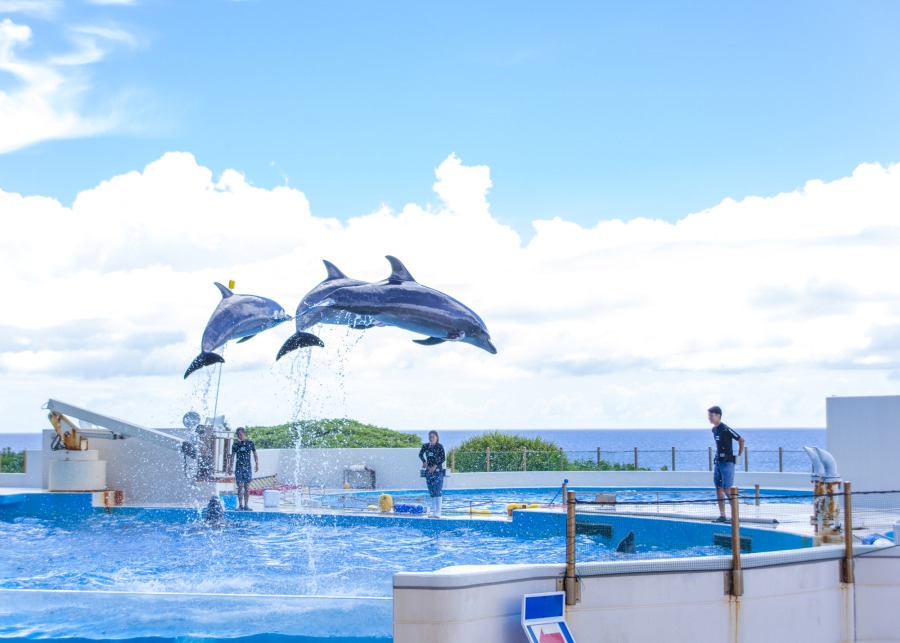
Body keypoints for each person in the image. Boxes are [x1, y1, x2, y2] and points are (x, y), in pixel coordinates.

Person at [708, 405, 745, 523]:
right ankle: (722, 515)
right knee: (718, 487)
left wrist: (739, 456)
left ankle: (735, 516)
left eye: (711, 415)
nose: (709, 417)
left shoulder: (725, 429)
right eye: (709, 415)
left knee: (727, 488)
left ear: (718, 415)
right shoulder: (714, 429)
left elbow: (741, 440)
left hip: (727, 462)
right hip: (718, 462)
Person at [227, 427, 258, 511]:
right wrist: (230, 467)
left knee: (247, 486)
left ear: (245, 434)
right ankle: (240, 505)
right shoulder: (235, 445)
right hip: (239, 467)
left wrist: (257, 464)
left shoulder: (250, 443)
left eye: (241, 434)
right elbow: (232, 457)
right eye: (238, 435)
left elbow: (255, 454)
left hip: (247, 467)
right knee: (240, 486)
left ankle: (246, 505)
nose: (239, 436)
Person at [418, 430, 446, 518]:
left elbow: (443, 458)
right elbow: (420, 454)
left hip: (438, 472)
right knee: (432, 491)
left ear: (437, 438)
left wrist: (435, 466)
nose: (431, 438)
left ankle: (438, 512)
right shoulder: (426, 446)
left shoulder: (439, 446)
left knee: (437, 490)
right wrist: (424, 461)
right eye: (430, 437)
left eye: (433, 437)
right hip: (429, 472)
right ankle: (434, 512)